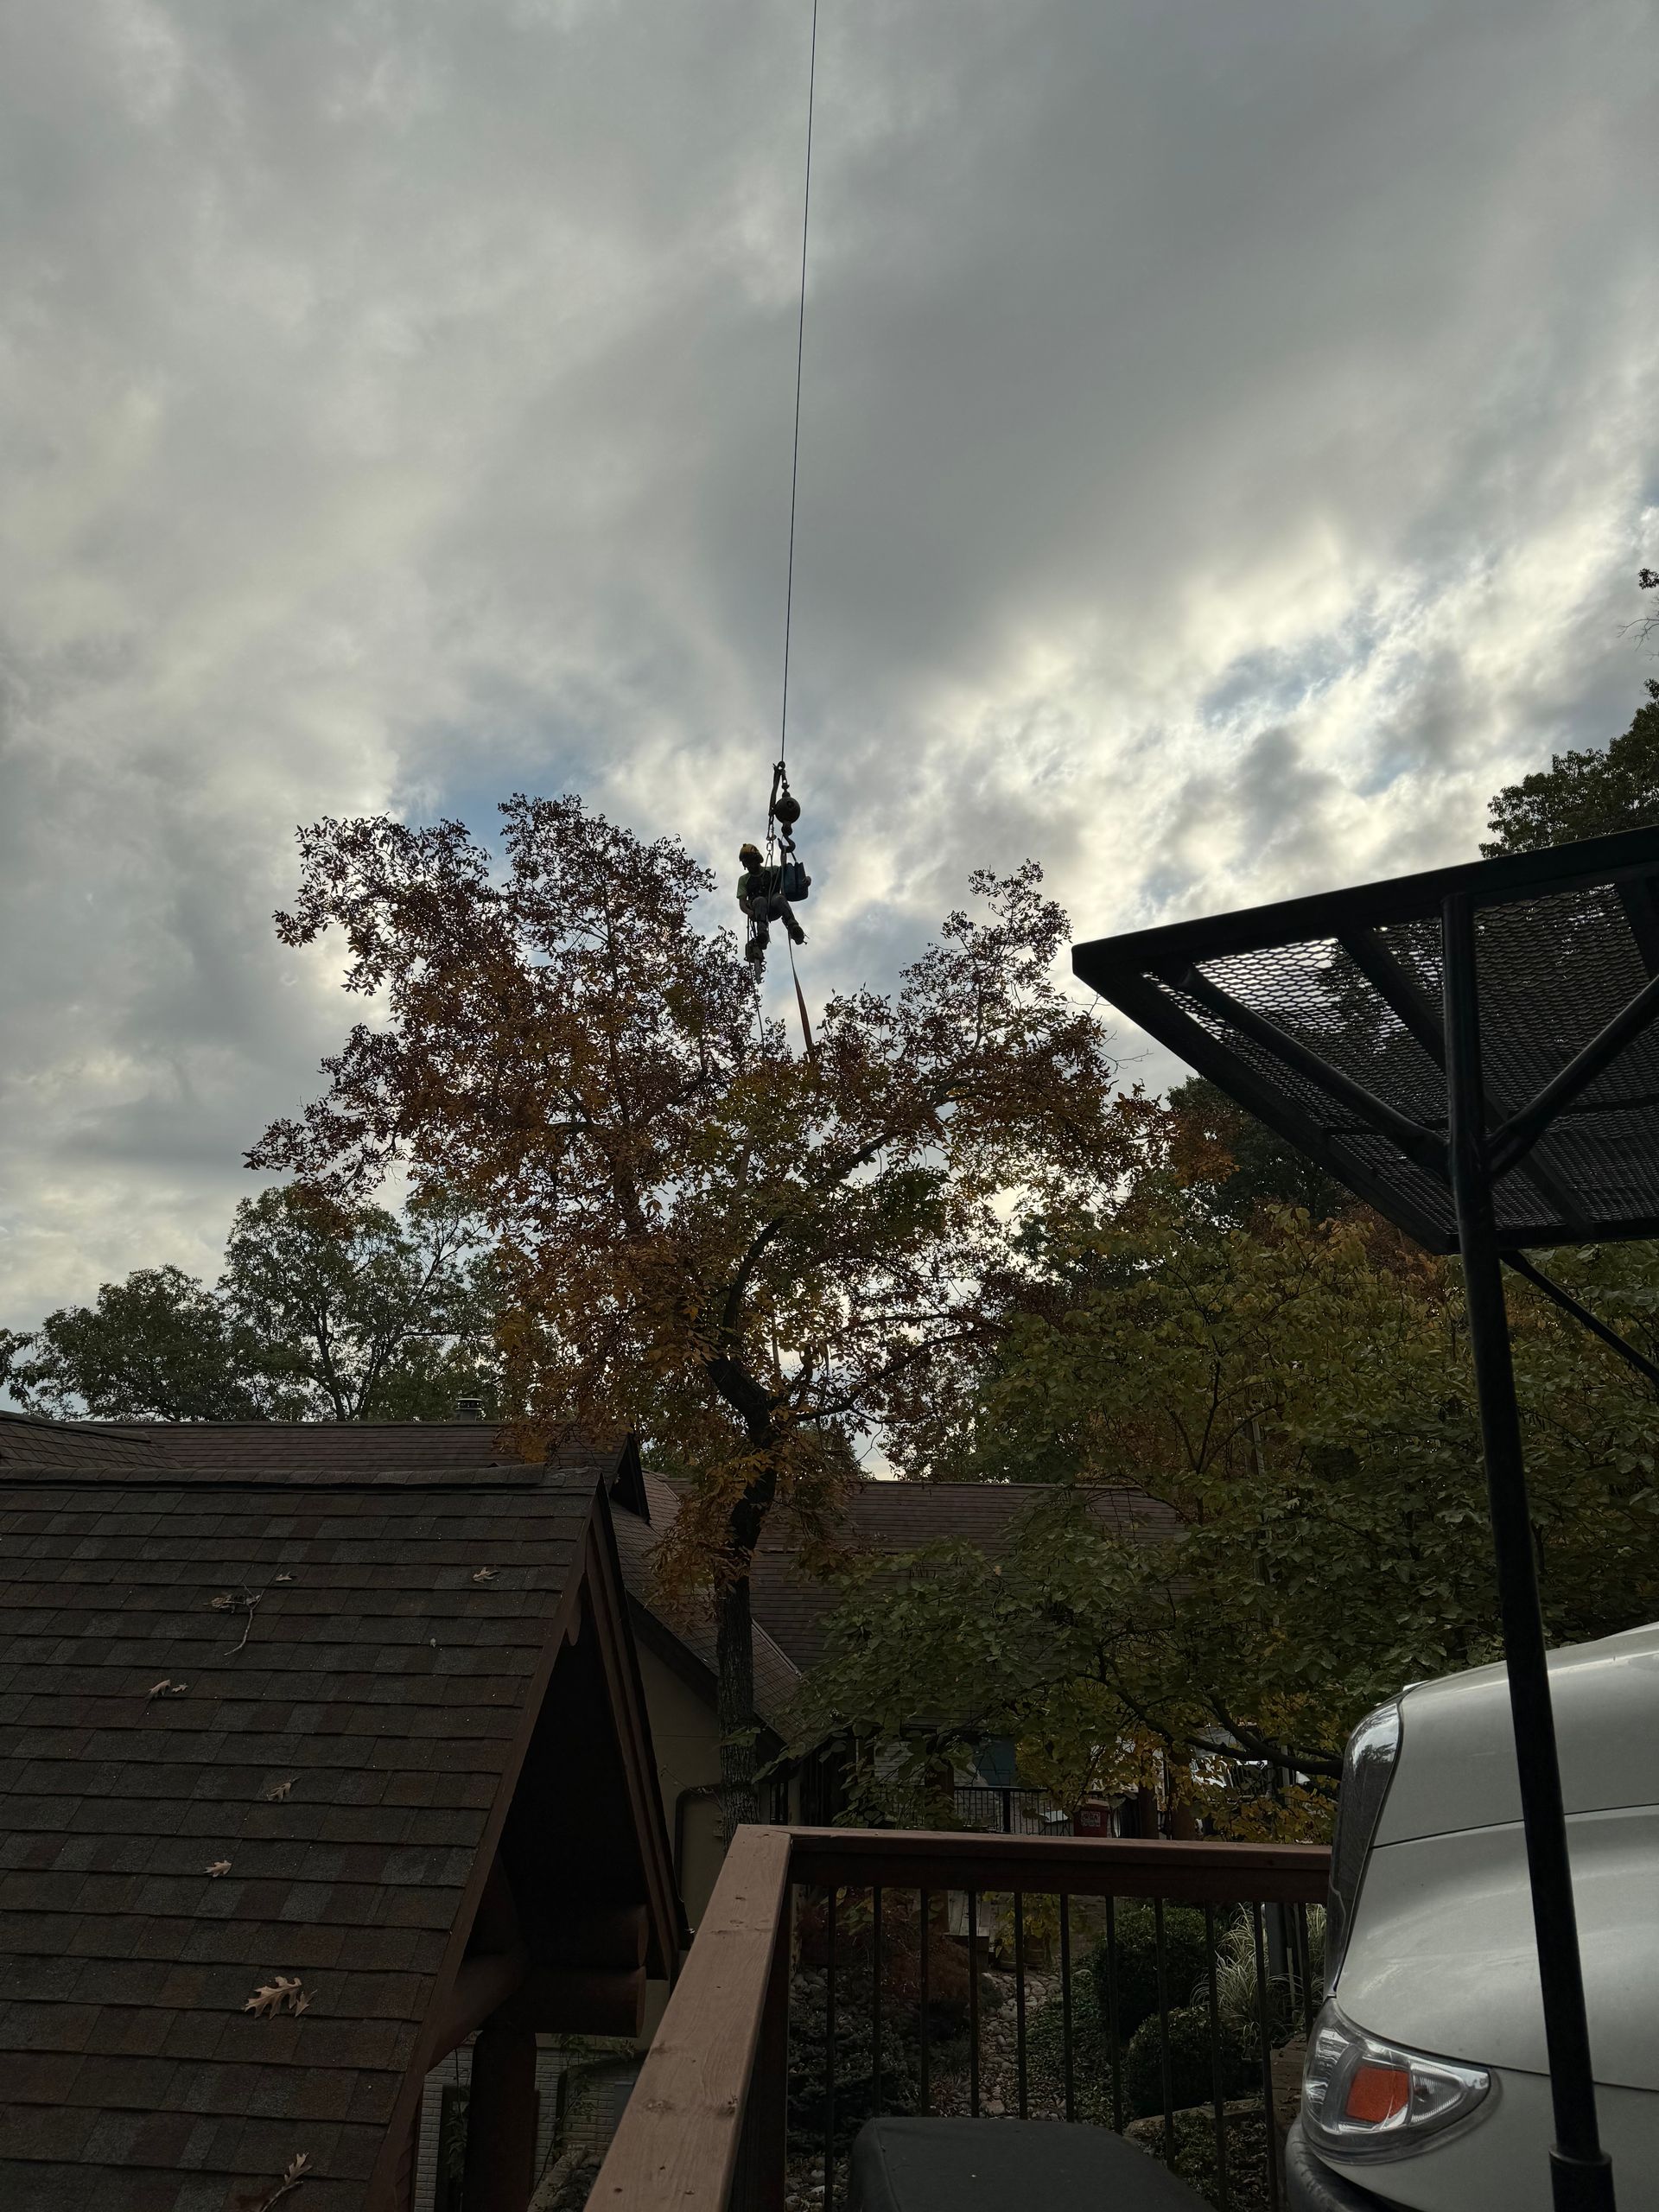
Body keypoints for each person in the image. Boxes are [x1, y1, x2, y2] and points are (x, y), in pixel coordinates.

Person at [736, 841, 807, 961]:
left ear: (757, 859)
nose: (749, 865)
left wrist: (805, 881)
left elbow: (785, 869)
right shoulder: (744, 880)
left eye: (750, 861)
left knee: (779, 898)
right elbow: (742, 903)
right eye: (746, 863)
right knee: (760, 901)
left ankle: (793, 927)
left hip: (774, 906)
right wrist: (750, 913)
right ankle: (762, 933)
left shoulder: (772, 871)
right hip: (759, 909)